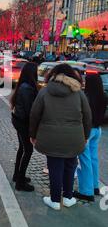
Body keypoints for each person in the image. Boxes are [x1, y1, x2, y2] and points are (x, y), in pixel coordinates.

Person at [30, 64, 92, 211]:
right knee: (71, 166)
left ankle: (55, 200)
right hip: (74, 138)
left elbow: (34, 114)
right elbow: (88, 116)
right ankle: (69, 197)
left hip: (51, 138)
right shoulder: (79, 93)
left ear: (52, 75)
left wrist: (32, 134)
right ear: (72, 76)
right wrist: (86, 136)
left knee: (54, 168)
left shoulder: (45, 91)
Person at [74, 74, 107, 202]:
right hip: (97, 129)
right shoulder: (103, 96)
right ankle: (94, 186)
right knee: (93, 159)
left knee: (84, 161)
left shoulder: (86, 97)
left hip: (87, 131)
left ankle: (86, 192)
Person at [10, 62, 38, 192]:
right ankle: (20, 182)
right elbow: (29, 110)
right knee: (28, 150)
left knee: (22, 148)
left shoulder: (23, 85)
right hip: (22, 122)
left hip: (18, 119)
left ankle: (17, 175)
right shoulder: (27, 88)